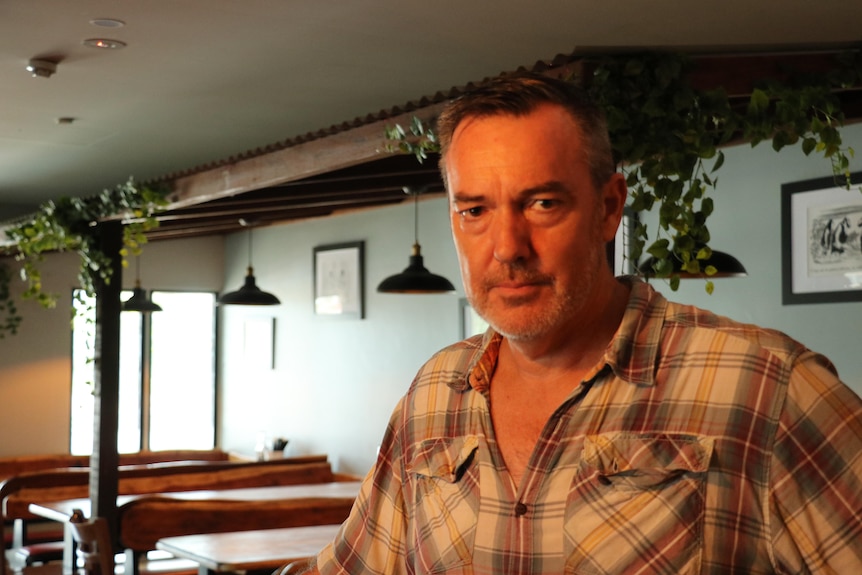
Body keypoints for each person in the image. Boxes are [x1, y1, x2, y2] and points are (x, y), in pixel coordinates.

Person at [305, 73, 862, 573]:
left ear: (609, 206)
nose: (507, 249)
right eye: (474, 210)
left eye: (542, 203)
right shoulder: (432, 396)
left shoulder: (769, 388)